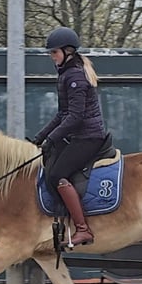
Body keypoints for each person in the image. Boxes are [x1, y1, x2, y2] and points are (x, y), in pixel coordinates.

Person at [30, 26, 107, 247]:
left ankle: (83, 229)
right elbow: (62, 114)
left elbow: (75, 117)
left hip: (89, 137)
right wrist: (40, 137)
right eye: (51, 53)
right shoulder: (67, 74)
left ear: (68, 51)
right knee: (49, 164)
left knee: (56, 175)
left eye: (54, 52)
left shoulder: (74, 77)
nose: (51, 57)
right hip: (79, 135)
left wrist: (52, 140)